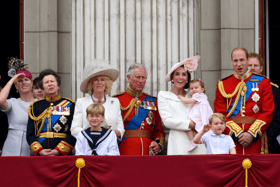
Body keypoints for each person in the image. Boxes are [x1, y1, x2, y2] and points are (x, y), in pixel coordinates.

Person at [214, 47, 274, 154]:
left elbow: (268, 112)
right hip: (231, 141)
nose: (239, 64)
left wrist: (251, 134)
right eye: (235, 61)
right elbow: (220, 114)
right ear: (232, 62)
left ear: (247, 61)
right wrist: (237, 134)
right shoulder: (223, 84)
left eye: (242, 60)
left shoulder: (263, 82)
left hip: (255, 140)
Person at [158, 56, 206, 155]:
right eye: (177, 74)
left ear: (188, 78)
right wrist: (189, 124)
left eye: (184, 74)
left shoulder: (194, 96)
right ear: (172, 77)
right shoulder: (164, 95)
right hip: (177, 142)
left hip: (198, 141)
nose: (180, 77)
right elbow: (167, 121)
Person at [114, 63, 165, 155]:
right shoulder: (117, 100)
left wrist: (158, 144)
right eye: (137, 77)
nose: (141, 81)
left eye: (143, 77)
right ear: (128, 78)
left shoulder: (153, 101)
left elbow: (159, 129)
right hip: (125, 149)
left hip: (148, 149)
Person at [70, 60, 124, 141]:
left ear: (107, 84)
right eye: (96, 80)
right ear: (91, 84)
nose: (99, 82)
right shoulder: (81, 102)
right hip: (87, 146)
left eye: (102, 79)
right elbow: (74, 129)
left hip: (109, 146)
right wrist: (90, 134)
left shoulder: (115, 102)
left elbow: (121, 129)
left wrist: (108, 134)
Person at [27, 69, 76, 156]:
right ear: (43, 87)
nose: (50, 84)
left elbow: (73, 132)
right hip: (41, 152)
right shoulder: (35, 106)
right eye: (46, 82)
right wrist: (39, 151)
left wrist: (58, 151)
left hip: (62, 154)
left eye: (52, 81)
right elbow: (30, 134)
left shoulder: (70, 105)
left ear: (58, 85)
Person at [0, 58, 36, 156]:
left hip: (33, 147)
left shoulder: (39, 104)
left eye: (26, 80)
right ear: (16, 86)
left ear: (32, 83)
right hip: (12, 148)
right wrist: (12, 80)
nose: (24, 82)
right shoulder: (13, 103)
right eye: (20, 81)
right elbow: (0, 100)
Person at [248, 52, 280, 153]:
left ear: (261, 68)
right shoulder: (237, 89)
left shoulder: (273, 90)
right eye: (249, 65)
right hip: (242, 142)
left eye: (255, 65)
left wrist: (258, 138)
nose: (252, 68)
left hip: (266, 143)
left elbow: (277, 121)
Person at [178, 79, 213, 152]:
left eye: (196, 88)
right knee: (187, 126)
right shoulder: (197, 97)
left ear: (202, 89)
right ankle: (193, 141)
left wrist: (180, 97)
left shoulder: (200, 96)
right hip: (197, 116)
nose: (194, 90)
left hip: (201, 117)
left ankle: (194, 140)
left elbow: (186, 101)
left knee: (189, 126)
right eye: (191, 88)